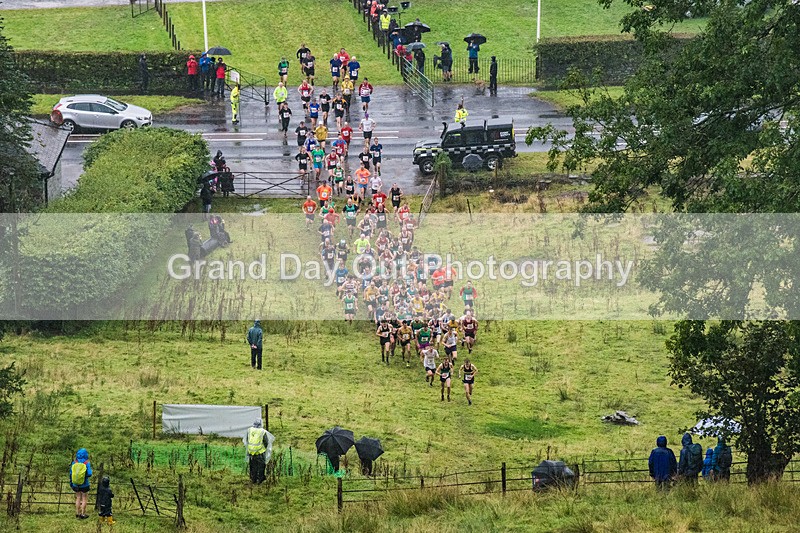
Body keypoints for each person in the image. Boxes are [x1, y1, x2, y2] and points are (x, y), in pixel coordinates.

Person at [69, 448, 92, 520]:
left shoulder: (74, 462)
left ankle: (77, 513)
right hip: (85, 484)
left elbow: (71, 473)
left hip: (76, 483)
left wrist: (72, 482)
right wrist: (84, 476)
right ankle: (83, 514)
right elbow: (90, 474)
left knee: (78, 498)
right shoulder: (86, 463)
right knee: (84, 498)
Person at [246, 419, 269, 484]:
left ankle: (253, 479)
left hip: (251, 451)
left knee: (253, 466)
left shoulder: (249, 430)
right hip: (260, 451)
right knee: (261, 466)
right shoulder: (262, 431)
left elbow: (247, 440)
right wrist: (265, 449)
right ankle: (260, 480)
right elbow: (266, 442)